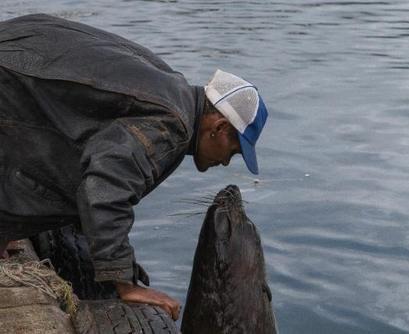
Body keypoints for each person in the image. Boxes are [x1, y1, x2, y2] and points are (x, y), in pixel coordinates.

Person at [0, 14, 268, 320]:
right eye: (233, 152)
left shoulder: (171, 87)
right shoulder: (174, 126)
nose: (224, 162)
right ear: (218, 127)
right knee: (84, 189)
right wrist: (126, 285)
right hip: (12, 74)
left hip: (16, 59)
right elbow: (103, 190)